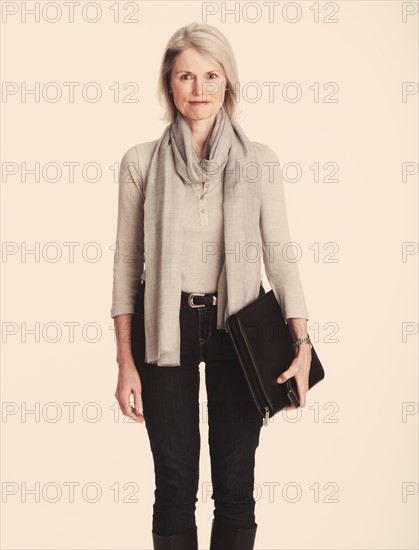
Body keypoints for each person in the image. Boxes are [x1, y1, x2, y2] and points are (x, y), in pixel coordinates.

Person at [111, 22, 312, 550]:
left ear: (228, 84)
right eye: (185, 76)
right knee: (174, 487)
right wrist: (124, 361)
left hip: (240, 327)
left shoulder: (260, 161)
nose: (198, 89)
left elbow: (281, 256)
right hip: (164, 326)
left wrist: (302, 342)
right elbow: (126, 267)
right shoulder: (139, 163)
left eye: (210, 76)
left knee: (236, 485)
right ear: (168, 84)